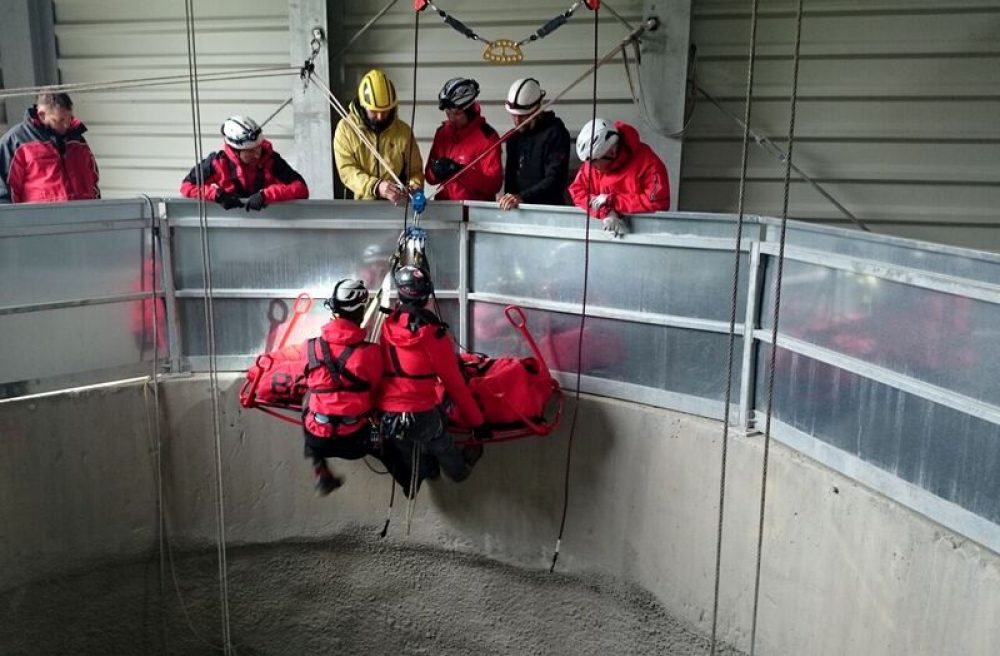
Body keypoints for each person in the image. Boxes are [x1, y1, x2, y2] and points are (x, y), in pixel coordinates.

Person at [377, 265, 489, 492]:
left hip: (388, 416)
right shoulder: (434, 337)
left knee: (408, 443)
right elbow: (455, 385)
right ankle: (459, 471)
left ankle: (428, 470)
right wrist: (478, 424)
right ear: (427, 296)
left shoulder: (387, 327)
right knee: (441, 440)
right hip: (420, 414)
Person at [302, 279, 384, 495]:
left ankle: (320, 469)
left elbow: (307, 379)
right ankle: (414, 477)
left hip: (317, 441)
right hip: (356, 443)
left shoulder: (310, 347)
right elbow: (375, 390)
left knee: (308, 401)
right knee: (386, 436)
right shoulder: (372, 353)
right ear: (362, 312)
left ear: (334, 311)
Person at [180, 115, 308, 211]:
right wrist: (216, 195)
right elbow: (186, 187)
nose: (257, 154)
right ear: (235, 151)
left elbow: (301, 188)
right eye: (250, 151)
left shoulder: (271, 160)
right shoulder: (217, 163)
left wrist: (266, 195)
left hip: (268, 226)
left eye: (258, 148)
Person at [568, 118, 671, 237]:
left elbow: (657, 203)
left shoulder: (649, 164)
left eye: (594, 162)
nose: (590, 166)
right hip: (603, 238)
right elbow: (577, 191)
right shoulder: (593, 164)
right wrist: (606, 211)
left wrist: (613, 201)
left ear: (611, 153)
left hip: (642, 237)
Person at [334, 69, 424, 204]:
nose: (380, 116)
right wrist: (375, 186)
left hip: (397, 206)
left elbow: (415, 171)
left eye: (385, 111)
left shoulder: (403, 132)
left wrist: (413, 188)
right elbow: (347, 170)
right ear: (363, 106)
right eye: (374, 111)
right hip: (362, 207)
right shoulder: (346, 129)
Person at [0, 92, 100, 204]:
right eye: (60, 120)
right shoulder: (16, 141)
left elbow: (93, 180)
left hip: (84, 216)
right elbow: (4, 190)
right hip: (41, 219)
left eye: (69, 118)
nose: (66, 125)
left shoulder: (77, 140)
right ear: (42, 115)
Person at [424, 77, 502, 202]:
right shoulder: (442, 134)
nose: (451, 118)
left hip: (474, 213)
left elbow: (494, 185)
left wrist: (460, 171)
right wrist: (436, 171)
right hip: (445, 210)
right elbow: (429, 177)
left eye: (457, 114)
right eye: (448, 113)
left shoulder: (487, 138)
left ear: (469, 110)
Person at [498, 78, 570, 211]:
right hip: (517, 211)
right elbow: (510, 181)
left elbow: (555, 180)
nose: (517, 121)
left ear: (537, 110)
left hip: (548, 212)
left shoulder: (555, 133)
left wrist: (522, 197)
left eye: (524, 116)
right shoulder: (514, 137)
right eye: (514, 115)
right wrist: (510, 199)